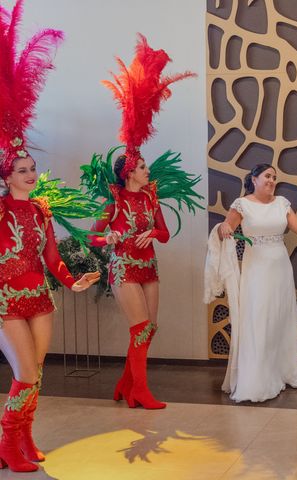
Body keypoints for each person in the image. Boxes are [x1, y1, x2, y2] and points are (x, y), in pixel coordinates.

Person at [0, 2, 99, 472]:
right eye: (22, 170)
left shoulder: (40, 209)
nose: (31, 173)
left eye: (33, 167)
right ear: (7, 176)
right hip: (4, 302)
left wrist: (69, 278)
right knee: (24, 373)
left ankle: (24, 440)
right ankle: (6, 443)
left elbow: (52, 255)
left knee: (36, 376)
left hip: (39, 297)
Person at [89, 35, 196, 410]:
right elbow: (93, 238)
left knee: (150, 328)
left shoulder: (150, 197)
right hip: (123, 269)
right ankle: (140, 391)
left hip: (148, 266)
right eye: (143, 166)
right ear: (129, 172)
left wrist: (154, 232)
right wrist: (115, 237)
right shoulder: (115, 199)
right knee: (138, 328)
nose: (148, 170)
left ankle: (124, 383)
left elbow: (164, 234)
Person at [217, 163, 297, 402]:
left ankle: (281, 373)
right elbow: (226, 228)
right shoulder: (242, 204)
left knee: (279, 320)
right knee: (258, 319)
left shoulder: (282, 203)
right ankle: (256, 379)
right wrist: (223, 228)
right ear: (254, 178)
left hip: (280, 268)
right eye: (267, 176)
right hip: (256, 269)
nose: (271, 180)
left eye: (274, 177)